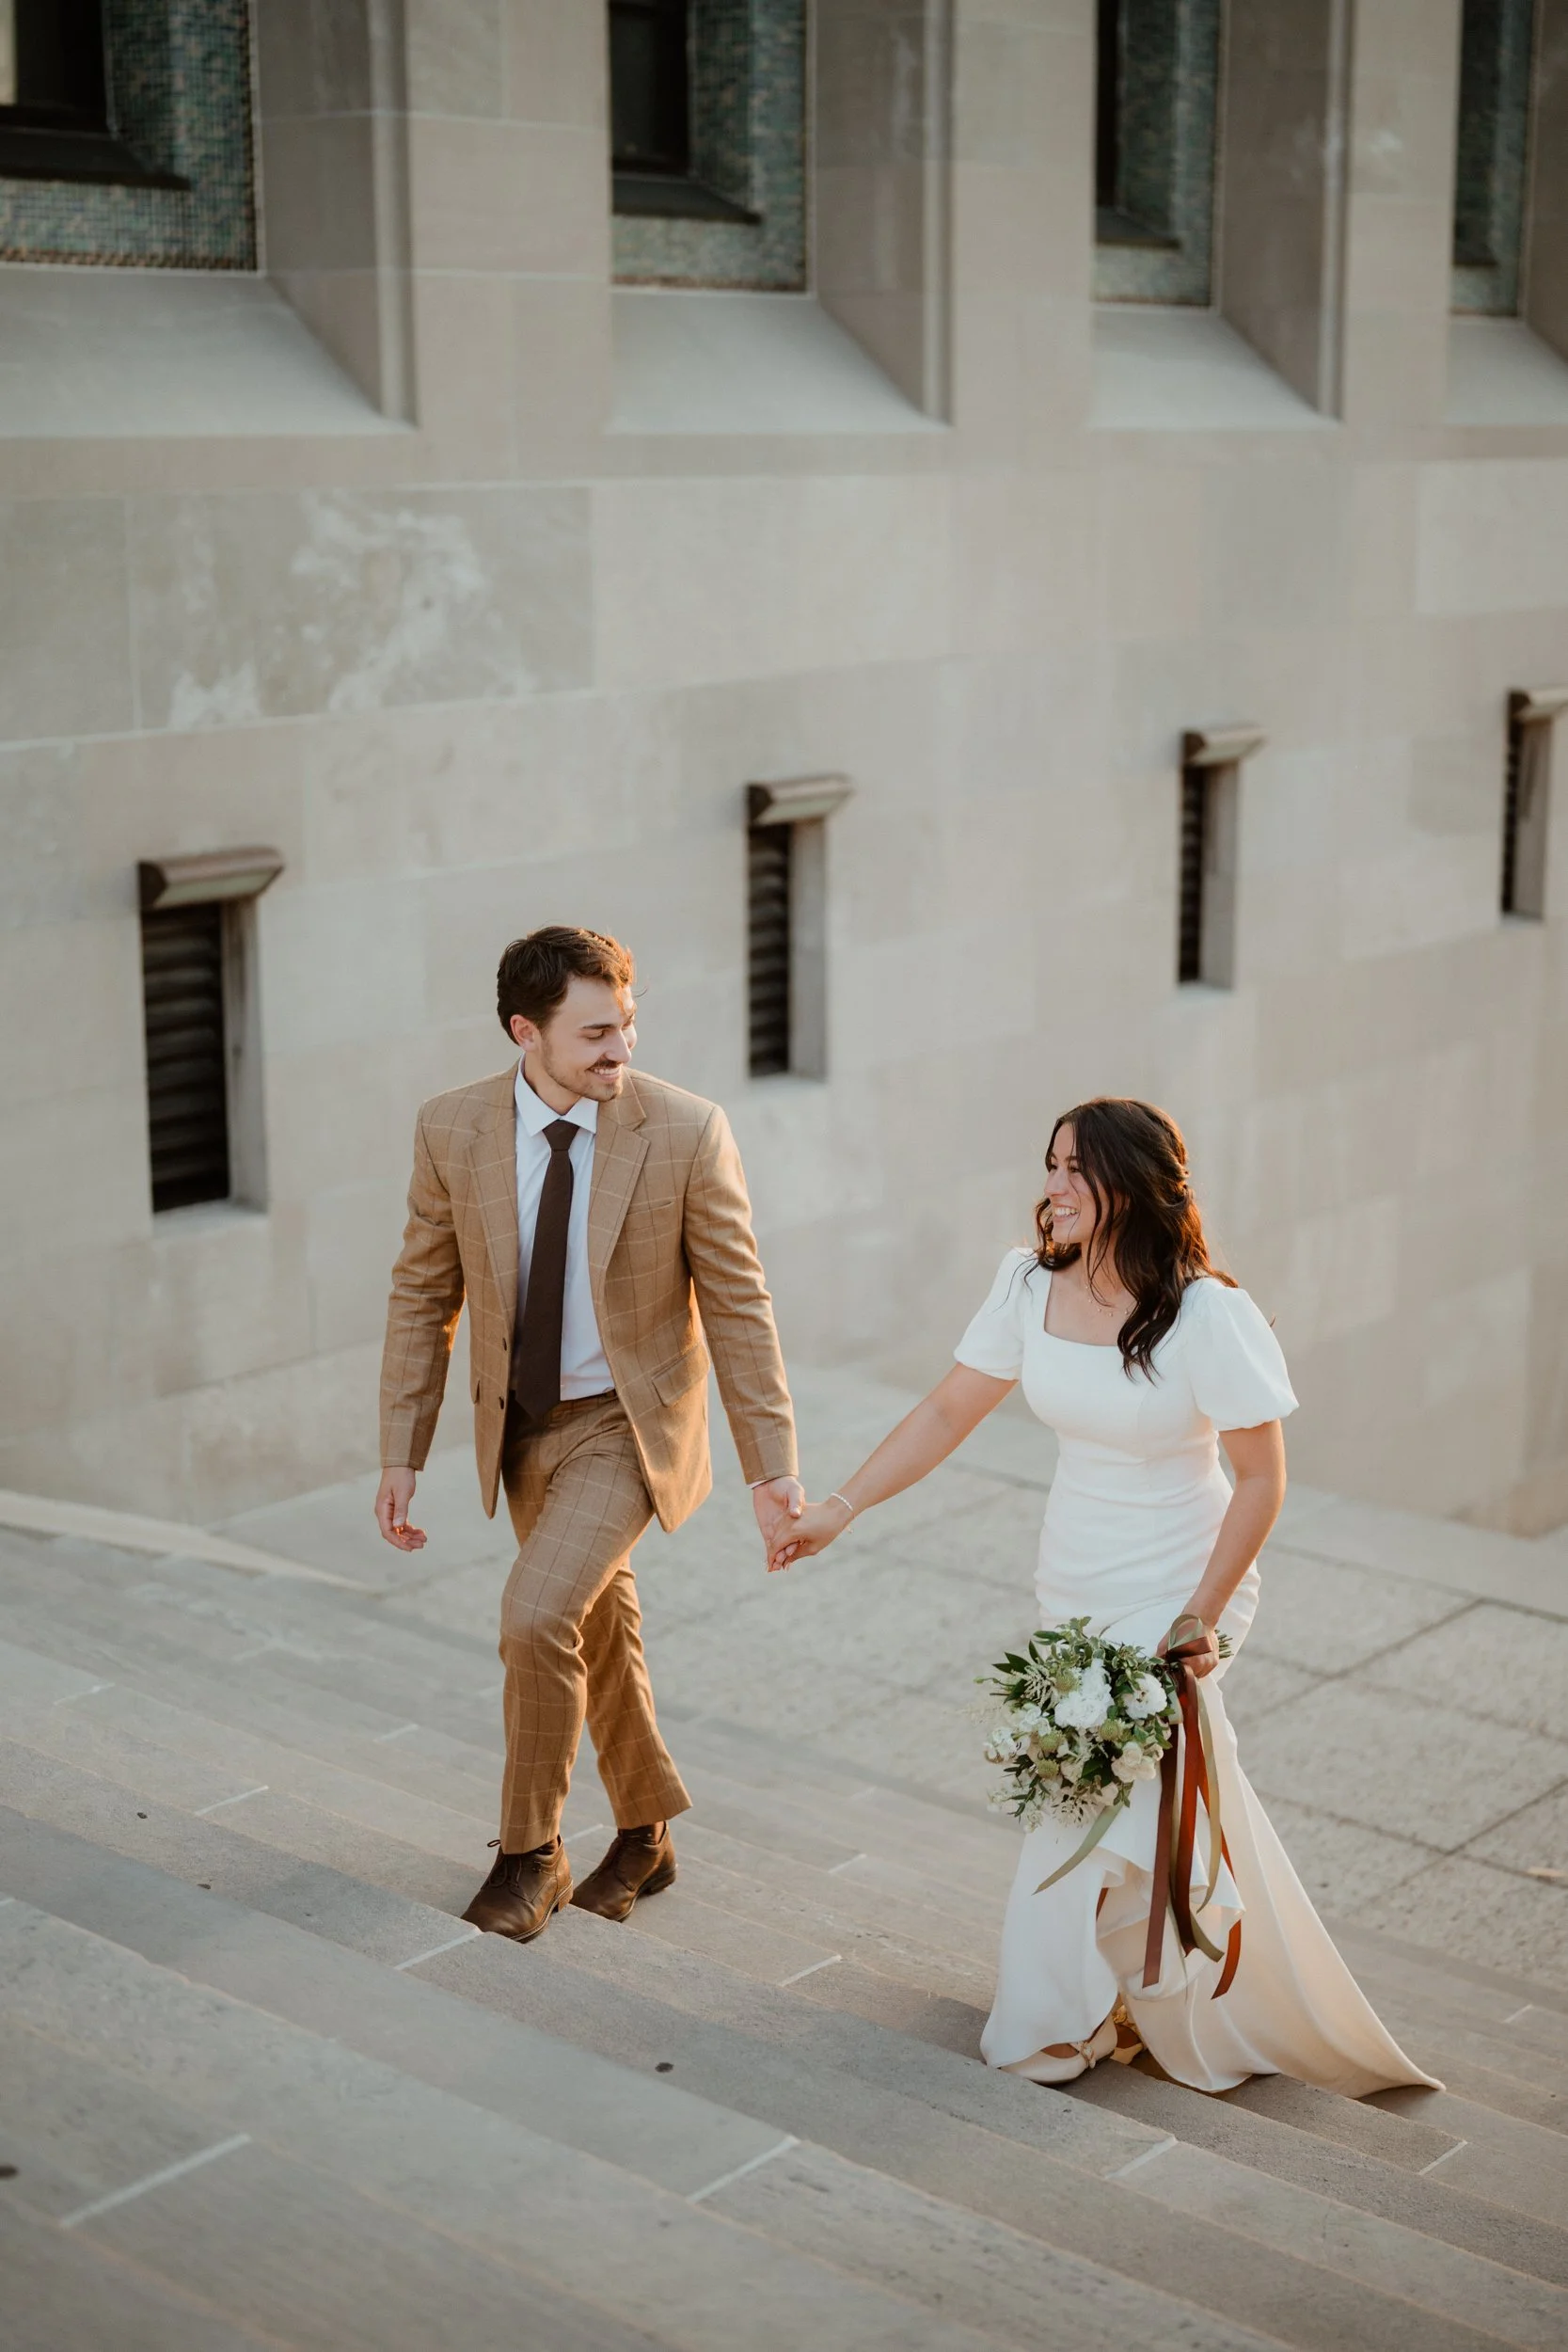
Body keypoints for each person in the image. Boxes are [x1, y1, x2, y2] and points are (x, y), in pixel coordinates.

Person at [771, 1098, 1436, 2097]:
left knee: (1082, 1797)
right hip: (1073, 1577)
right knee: (1119, 1799)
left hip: (1181, 1577)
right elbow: (949, 1406)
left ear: (1134, 1181)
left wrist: (1199, 1615)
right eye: (1048, 1165)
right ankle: (1150, 1996)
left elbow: (1260, 1481)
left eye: (1075, 1169)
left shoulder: (1209, 1313)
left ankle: (1048, 2025)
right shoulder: (1022, 1283)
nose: (1052, 1187)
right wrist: (840, 1506)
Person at [376, 925, 801, 1941]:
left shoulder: (684, 1130)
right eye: (595, 1034)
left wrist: (770, 1468)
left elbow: (739, 1305)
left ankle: (531, 1852)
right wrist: (401, 1449)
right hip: (521, 1431)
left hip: (626, 1425)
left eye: (627, 1027)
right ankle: (647, 1833)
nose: (621, 1053)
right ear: (526, 1031)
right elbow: (421, 1291)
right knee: (597, 1625)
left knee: (533, 1618)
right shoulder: (452, 1129)